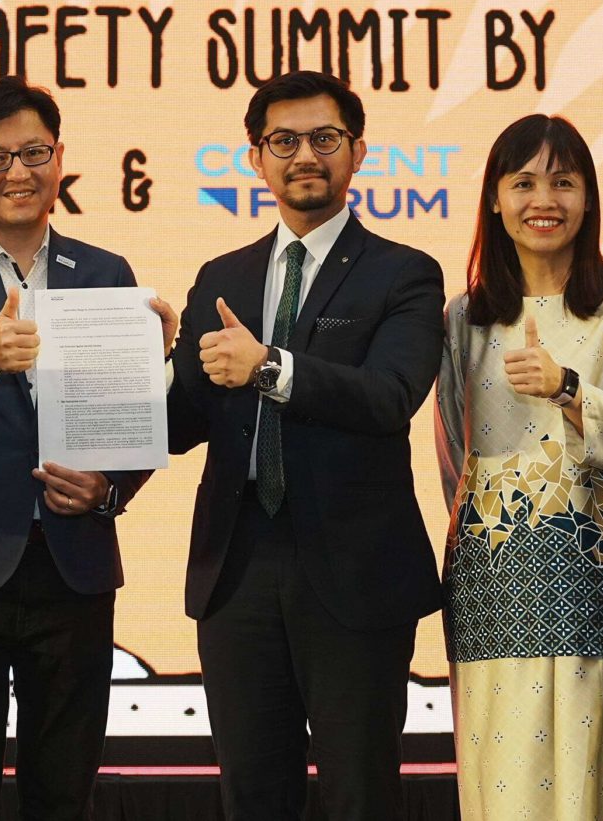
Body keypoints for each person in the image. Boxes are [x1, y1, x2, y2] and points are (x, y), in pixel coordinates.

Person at [0, 76, 177, 821]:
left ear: (59, 159)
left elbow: (127, 428)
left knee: (65, 791)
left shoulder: (106, 272)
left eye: (33, 153)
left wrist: (116, 473)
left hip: (74, 569)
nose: (17, 171)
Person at [167, 69, 445, 821]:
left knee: (361, 793)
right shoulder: (222, 276)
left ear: (357, 152)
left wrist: (269, 366)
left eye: (324, 138)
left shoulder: (404, 272)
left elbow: (389, 396)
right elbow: (182, 421)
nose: (304, 156)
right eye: (283, 141)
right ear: (256, 158)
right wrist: (147, 360)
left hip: (354, 571)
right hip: (237, 568)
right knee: (253, 795)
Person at [435, 114, 603, 820]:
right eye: (524, 182)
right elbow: (454, 457)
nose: (544, 200)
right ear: (494, 198)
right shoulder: (463, 317)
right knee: (504, 785)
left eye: (563, 182)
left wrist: (568, 388)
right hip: (496, 582)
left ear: (588, 197)